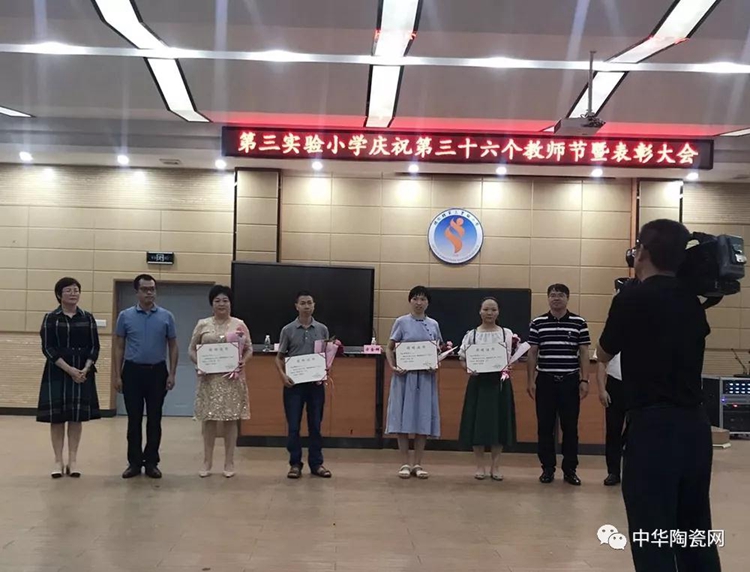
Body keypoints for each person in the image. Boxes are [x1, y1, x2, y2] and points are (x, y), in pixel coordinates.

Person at [597, 219, 721, 571]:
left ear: (643, 252)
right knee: (695, 527)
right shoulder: (691, 299)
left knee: (652, 531)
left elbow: (604, 352)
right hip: (695, 427)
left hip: (653, 427)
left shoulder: (631, 297)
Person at [114, 275, 178, 479]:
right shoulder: (125, 316)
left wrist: (172, 373)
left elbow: (173, 345)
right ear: (137, 292)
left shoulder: (166, 316)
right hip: (132, 372)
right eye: (145, 289)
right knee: (133, 420)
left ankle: (151, 462)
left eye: (152, 289)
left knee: (154, 419)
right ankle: (134, 463)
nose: (149, 292)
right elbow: (119, 346)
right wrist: (117, 375)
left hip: (157, 372)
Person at [527, 283, 590, 486]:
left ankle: (570, 470)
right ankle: (547, 469)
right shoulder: (537, 323)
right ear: (548, 298)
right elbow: (532, 353)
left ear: (567, 298)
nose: (556, 298)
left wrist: (584, 380)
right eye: (553, 295)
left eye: (560, 295)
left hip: (570, 381)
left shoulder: (579, 322)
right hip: (545, 381)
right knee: (545, 427)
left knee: (570, 427)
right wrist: (530, 380)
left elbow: (584, 353)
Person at [38, 277, 101, 478]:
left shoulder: (87, 317)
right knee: (57, 418)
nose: (73, 294)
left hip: (82, 371)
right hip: (58, 370)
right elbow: (47, 348)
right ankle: (58, 460)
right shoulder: (51, 318)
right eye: (68, 290)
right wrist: (70, 370)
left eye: (76, 290)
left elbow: (95, 347)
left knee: (76, 417)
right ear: (59, 295)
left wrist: (85, 369)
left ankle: (73, 461)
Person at [188, 285, 252, 478]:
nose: (221, 304)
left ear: (230, 303)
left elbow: (249, 348)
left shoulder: (239, 324)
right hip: (209, 380)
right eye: (217, 301)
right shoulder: (203, 324)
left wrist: (243, 361)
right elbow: (191, 349)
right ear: (212, 304)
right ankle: (207, 462)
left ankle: (229, 462)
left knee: (231, 421)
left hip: (231, 380)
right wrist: (199, 363)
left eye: (225, 300)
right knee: (209, 421)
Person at [385, 285, 442, 479]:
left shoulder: (433, 324)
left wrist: (435, 363)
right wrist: (393, 366)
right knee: (403, 418)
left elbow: (437, 350)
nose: (419, 303)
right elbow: (389, 347)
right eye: (415, 299)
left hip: (425, 378)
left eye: (423, 299)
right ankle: (404, 463)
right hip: (404, 378)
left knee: (422, 418)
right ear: (410, 301)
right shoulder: (401, 322)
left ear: (428, 303)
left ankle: (418, 463)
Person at [458, 297, 517, 480]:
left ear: (498, 312)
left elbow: (513, 358)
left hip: (500, 383)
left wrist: (510, 365)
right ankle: (480, 466)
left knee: (499, 423)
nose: (489, 313)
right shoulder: (471, 335)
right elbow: (463, 359)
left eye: (493, 309)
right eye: (486, 309)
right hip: (478, 383)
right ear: (480, 311)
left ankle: (495, 466)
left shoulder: (507, 334)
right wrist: (469, 368)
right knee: (477, 424)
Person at [275, 291, 332, 479]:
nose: (306, 306)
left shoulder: (322, 329)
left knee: (315, 425)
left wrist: (326, 369)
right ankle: (295, 464)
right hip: (294, 386)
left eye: (309, 303)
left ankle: (316, 464)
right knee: (293, 426)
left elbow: (326, 356)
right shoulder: (288, 330)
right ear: (296, 306)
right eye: (303, 303)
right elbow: (279, 357)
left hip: (315, 385)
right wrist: (283, 376)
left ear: (314, 305)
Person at [597, 350, 624, 486]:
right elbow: (601, 362)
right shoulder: (613, 337)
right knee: (613, 429)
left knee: (637, 431)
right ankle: (613, 472)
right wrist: (602, 390)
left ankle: (636, 471)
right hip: (615, 384)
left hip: (638, 385)